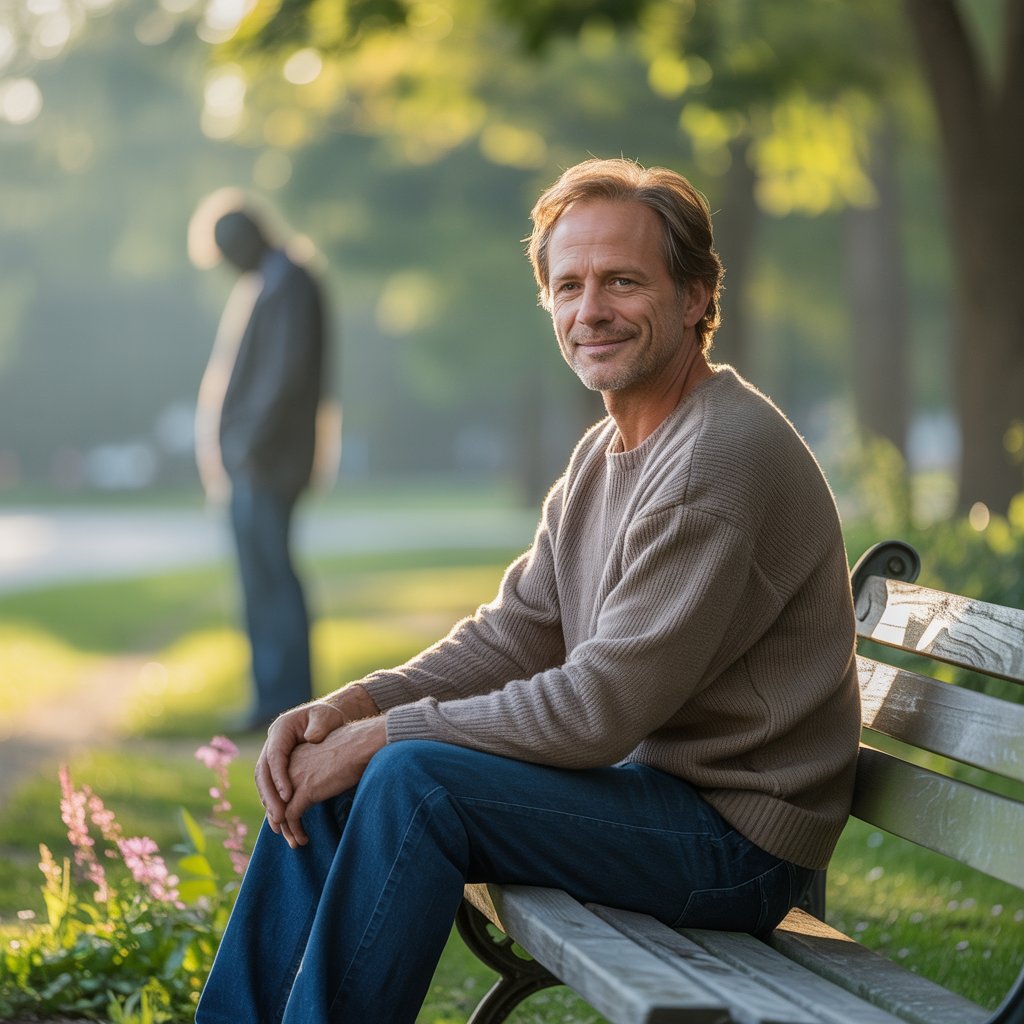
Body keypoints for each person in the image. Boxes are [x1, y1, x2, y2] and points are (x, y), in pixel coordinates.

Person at [195, 158, 861, 1024]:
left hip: (737, 844)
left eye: (624, 281)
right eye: (569, 286)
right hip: (658, 801)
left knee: (410, 777)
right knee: (347, 767)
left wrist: (384, 734)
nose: (591, 311)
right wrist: (353, 706)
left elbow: (593, 712)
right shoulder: (608, 450)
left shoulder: (714, 459)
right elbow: (515, 633)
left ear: (696, 296)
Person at [190, 192, 328, 732]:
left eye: (228, 250)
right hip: (256, 462)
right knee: (259, 581)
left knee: (270, 579)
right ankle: (270, 696)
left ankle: (284, 699)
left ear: (247, 238)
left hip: (269, 463)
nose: (227, 263)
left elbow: (285, 374)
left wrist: (247, 442)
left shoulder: (289, 281)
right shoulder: (272, 280)